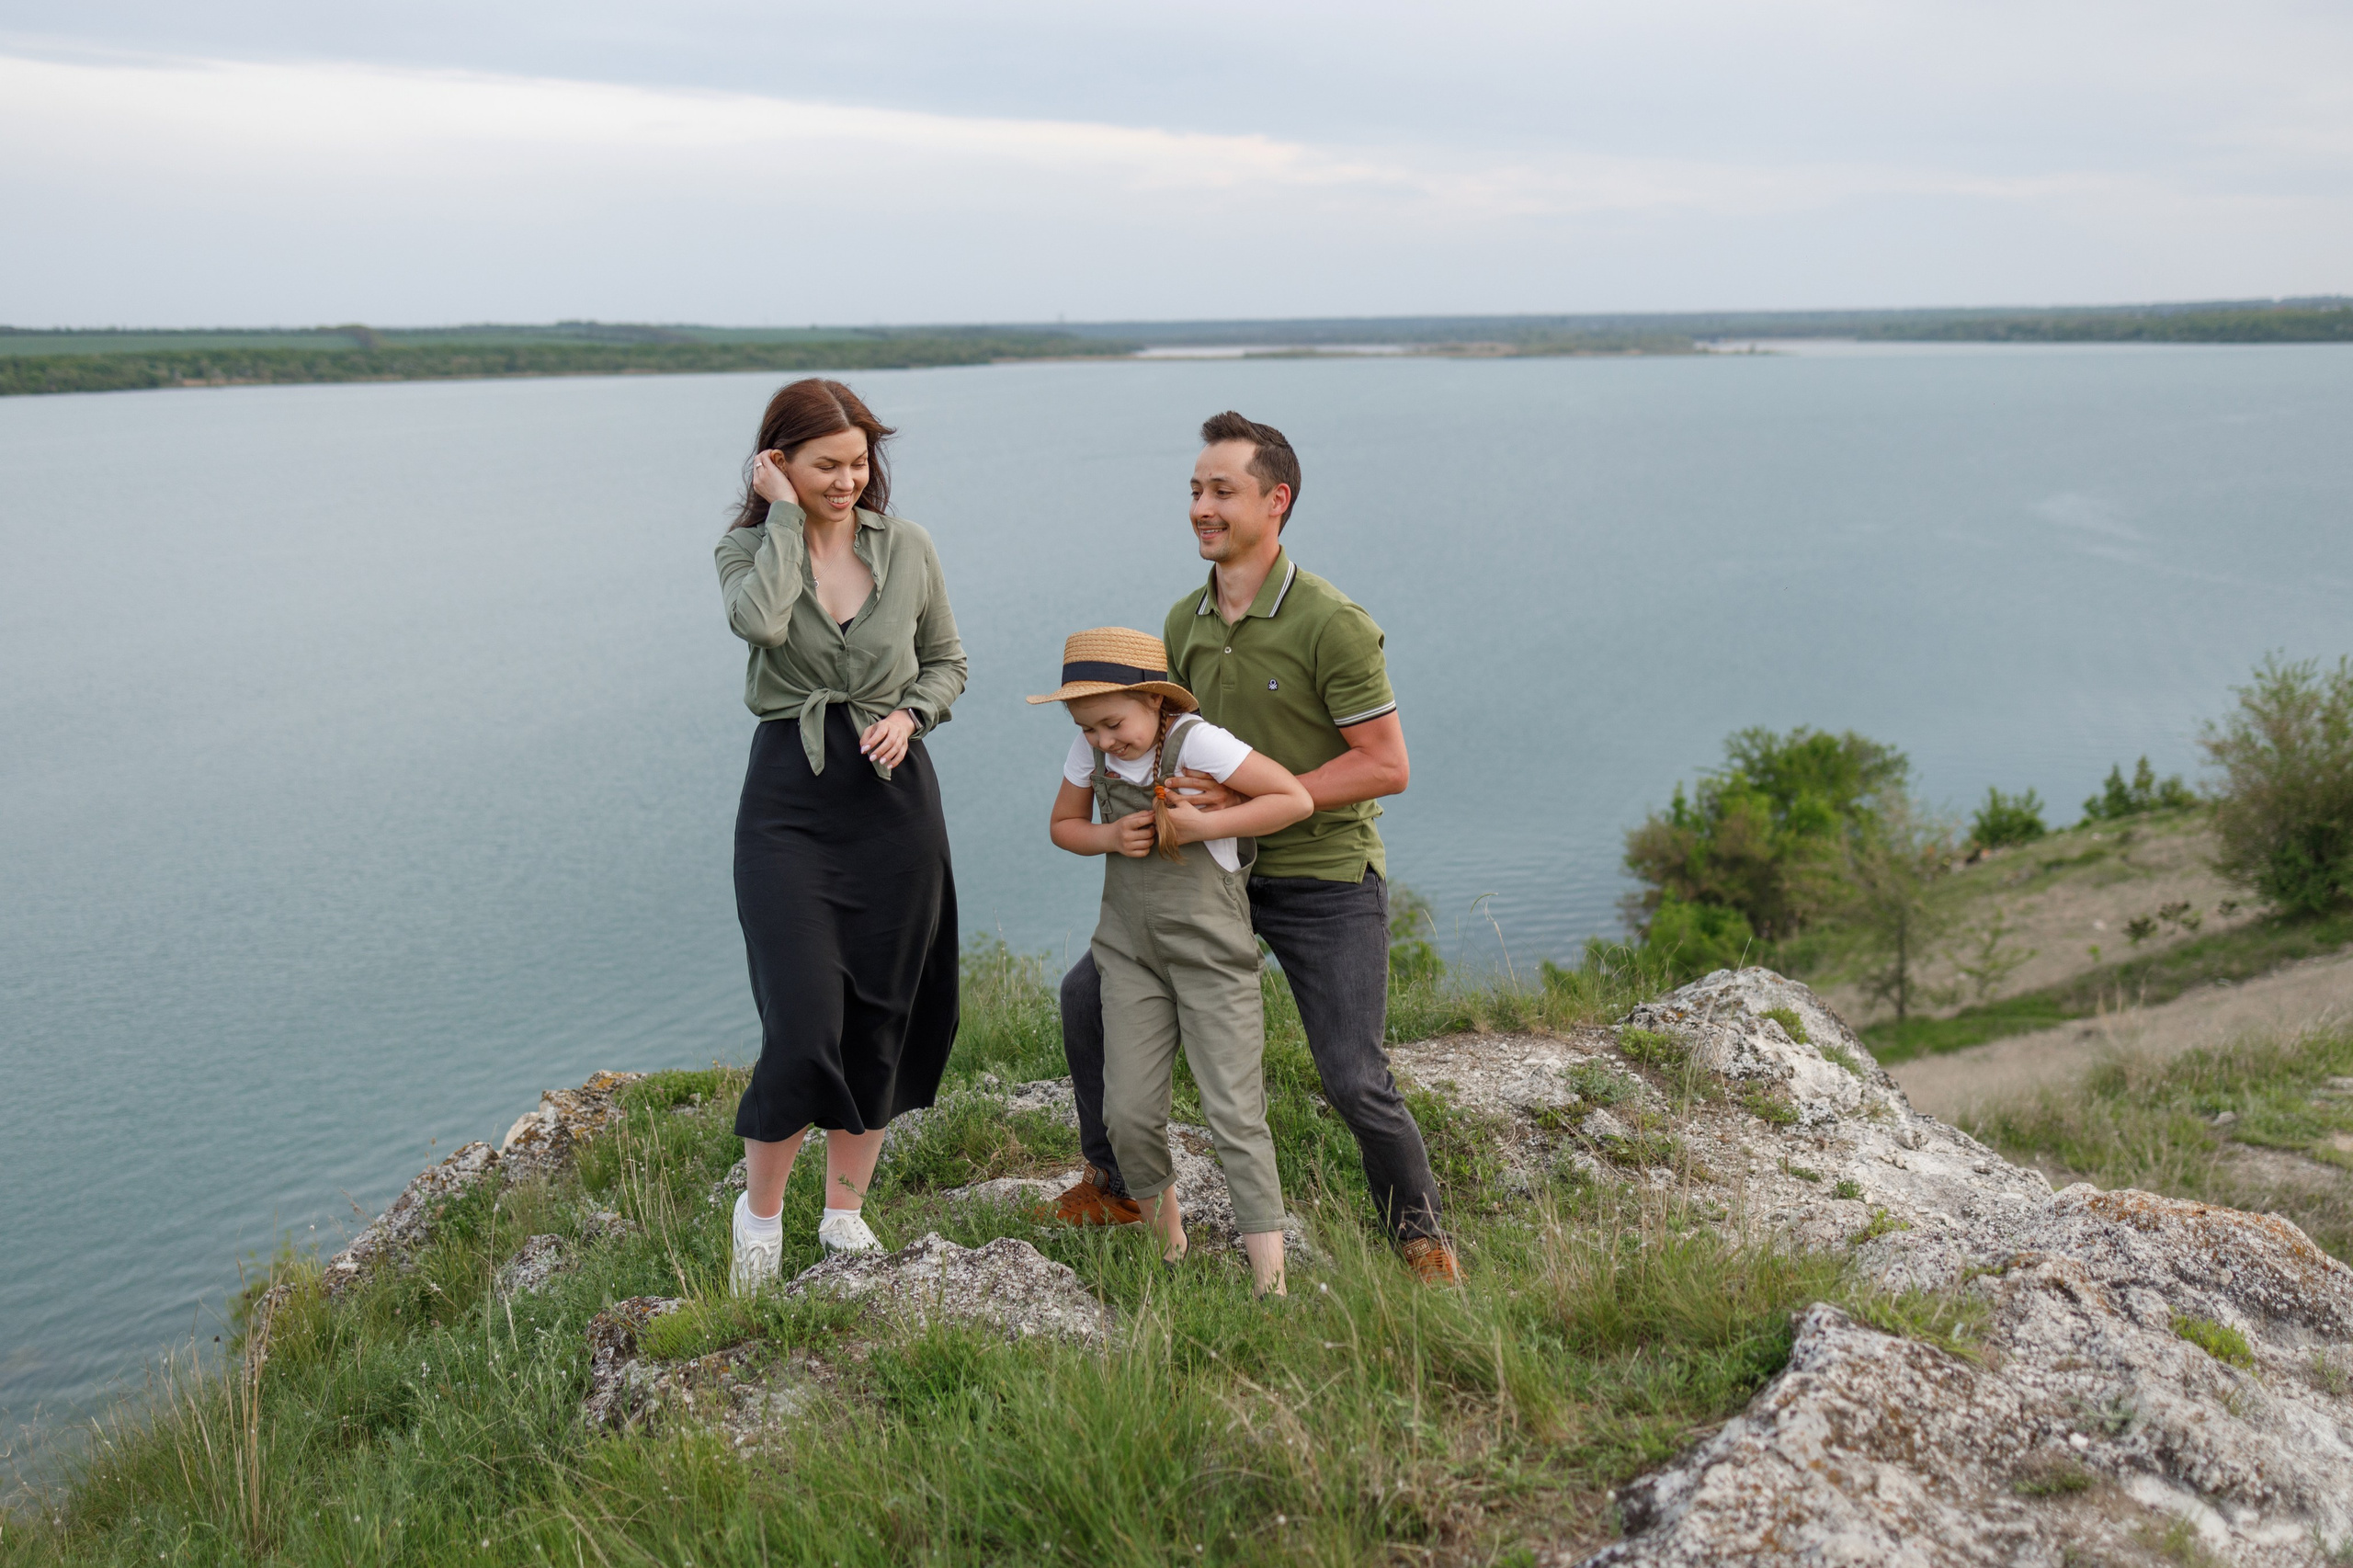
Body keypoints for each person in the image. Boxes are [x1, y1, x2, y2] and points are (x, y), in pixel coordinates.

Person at [1042, 412, 1462, 1286]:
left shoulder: (1332, 623)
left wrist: (1243, 802)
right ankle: (1117, 1182)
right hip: (1205, 876)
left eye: (1222, 491)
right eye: (1196, 489)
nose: (1202, 506)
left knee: (1352, 1075)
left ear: (1277, 501)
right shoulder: (1182, 621)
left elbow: (1386, 766)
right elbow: (1157, 742)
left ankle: (1420, 1236)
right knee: (1086, 998)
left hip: (1320, 874)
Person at [713, 378, 967, 1296]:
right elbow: (760, 622)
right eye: (826, 465)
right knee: (801, 1020)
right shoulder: (746, 548)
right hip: (790, 802)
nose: (848, 480)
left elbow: (947, 661)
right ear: (778, 463)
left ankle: (844, 1213)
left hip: (894, 806)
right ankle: (760, 1219)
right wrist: (785, 519)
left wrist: (911, 713)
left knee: (882, 1013)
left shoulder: (909, 546)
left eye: (860, 462)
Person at [1031, 628, 1314, 1297]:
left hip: (1212, 959)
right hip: (1128, 955)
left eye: (1112, 724)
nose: (1102, 740)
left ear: (1154, 700)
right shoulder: (1090, 751)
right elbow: (1064, 827)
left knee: (1235, 1116)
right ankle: (1169, 1251)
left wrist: (1205, 825)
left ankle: (1271, 1285)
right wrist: (1108, 834)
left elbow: (1293, 799)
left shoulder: (1200, 743)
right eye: (1087, 728)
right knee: (1127, 1115)